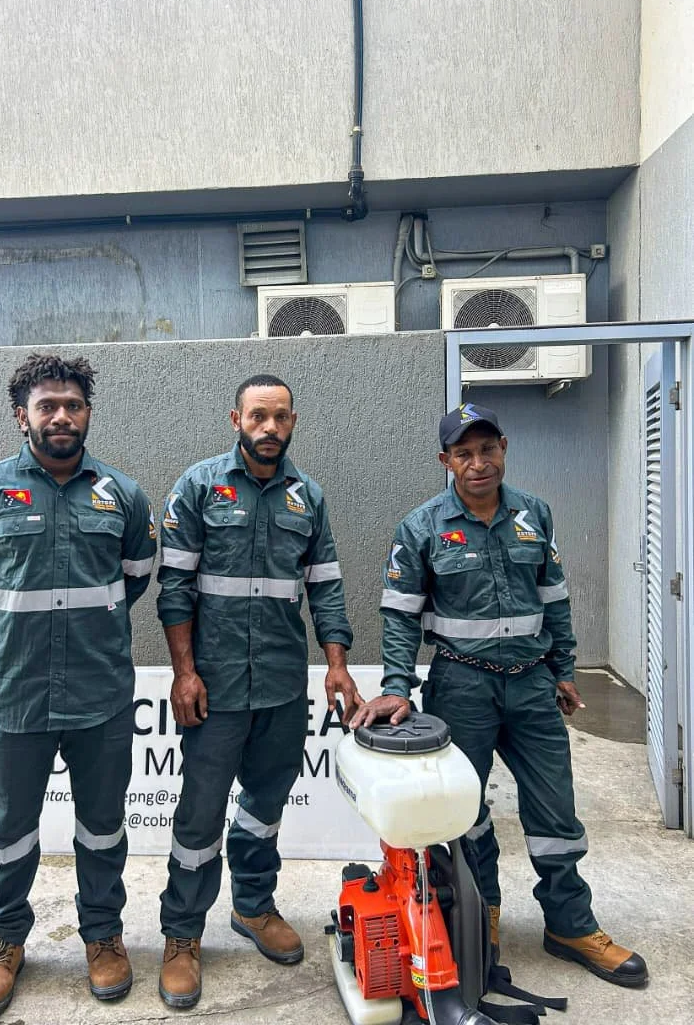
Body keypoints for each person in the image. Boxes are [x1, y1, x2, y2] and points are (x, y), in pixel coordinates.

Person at [351, 403, 648, 989]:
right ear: (446, 461)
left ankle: (570, 924)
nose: (478, 462)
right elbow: (400, 617)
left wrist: (564, 668)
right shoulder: (421, 527)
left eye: (487, 450)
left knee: (555, 810)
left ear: (504, 449)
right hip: (462, 685)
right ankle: (478, 914)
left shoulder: (534, 514)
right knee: (463, 811)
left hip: (533, 686)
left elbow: (555, 598)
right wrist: (395, 687)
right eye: (464, 453)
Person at [0, 353, 156, 1019]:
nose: (60, 416)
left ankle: (102, 935)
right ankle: (4, 940)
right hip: (19, 692)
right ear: (22, 416)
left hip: (100, 694)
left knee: (101, 829)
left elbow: (135, 578)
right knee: (10, 829)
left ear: (87, 412)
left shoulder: (122, 495)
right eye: (47, 406)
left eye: (72, 404)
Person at [155, 373, 361, 1009]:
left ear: (293, 422)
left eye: (281, 417)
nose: (270, 428)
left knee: (265, 804)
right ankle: (183, 934)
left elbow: (324, 586)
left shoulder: (309, 497)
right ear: (236, 419)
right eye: (258, 416)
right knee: (199, 814)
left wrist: (336, 663)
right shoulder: (198, 486)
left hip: (278, 682)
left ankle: (252, 905)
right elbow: (174, 590)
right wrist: (184, 672)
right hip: (213, 685)